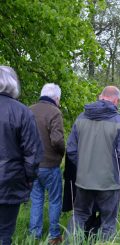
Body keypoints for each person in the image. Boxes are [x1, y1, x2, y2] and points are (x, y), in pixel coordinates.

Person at [66, 86, 120, 241]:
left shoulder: (80, 118)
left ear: (100, 97)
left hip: (84, 180)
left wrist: (84, 166)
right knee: (108, 223)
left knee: (78, 215)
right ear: (116, 100)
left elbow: (71, 149)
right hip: (109, 182)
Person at [0, 66, 43, 245]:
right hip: (9, 182)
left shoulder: (22, 112)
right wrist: (28, 179)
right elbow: (33, 153)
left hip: (10, 179)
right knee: (4, 234)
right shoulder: (22, 112)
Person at [29, 84, 65, 244]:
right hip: (50, 165)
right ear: (56, 98)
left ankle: (34, 234)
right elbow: (57, 140)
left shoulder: (28, 110)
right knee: (55, 200)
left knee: (36, 200)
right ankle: (54, 235)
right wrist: (62, 152)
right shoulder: (54, 112)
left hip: (32, 164)